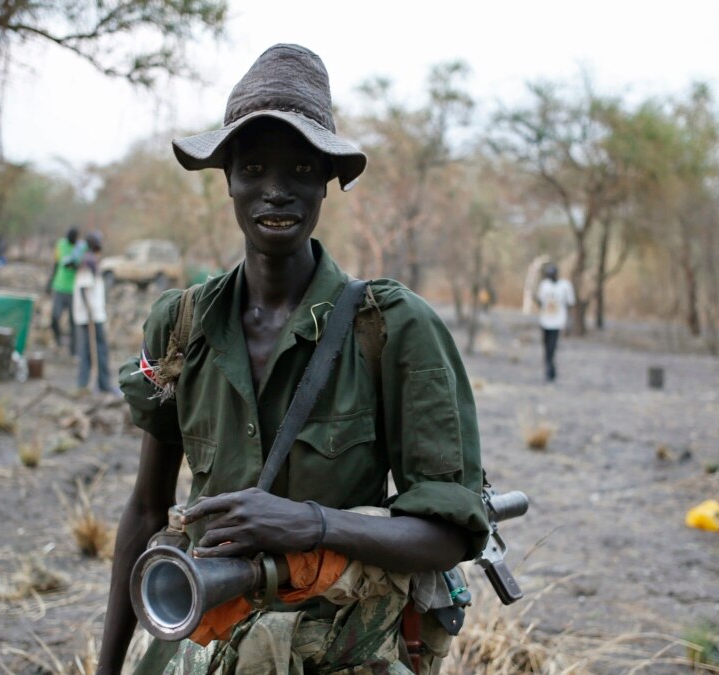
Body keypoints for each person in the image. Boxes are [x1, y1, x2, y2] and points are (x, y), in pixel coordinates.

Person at [98, 44, 488, 674]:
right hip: (200, 643)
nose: (276, 191)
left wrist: (310, 524)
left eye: (301, 169)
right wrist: (108, 667)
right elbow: (146, 509)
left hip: (336, 652)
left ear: (326, 183)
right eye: (253, 167)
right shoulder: (181, 325)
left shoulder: (392, 327)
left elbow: (448, 533)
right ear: (226, 177)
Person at [74, 232, 113, 393]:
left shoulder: (88, 260)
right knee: (98, 350)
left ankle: (87, 384)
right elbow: (84, 288)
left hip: (91, 315)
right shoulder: (89, 261)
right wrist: (90, 312)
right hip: (91, 316)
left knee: (90, 351)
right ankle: (101, 385)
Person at [534, 263, 575, 382]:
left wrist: (568, 322)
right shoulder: (544, 285)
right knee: (546, 346)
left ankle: (549, 369)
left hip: (557, 322)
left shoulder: (565, 286)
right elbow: (540, 302)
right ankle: (550, 369)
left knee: (552, 346)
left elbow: (570, 303)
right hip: (545, 321)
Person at [50, 227, 81, 354]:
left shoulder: (80, 248)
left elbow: (79, 265)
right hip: (59, 286)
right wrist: (50, 282)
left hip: (73, 289)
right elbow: (57, 263)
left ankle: (73, 349)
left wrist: (75, 264)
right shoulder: (61, 244)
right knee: (54, 317)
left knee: (74, 321)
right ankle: (58, 340)